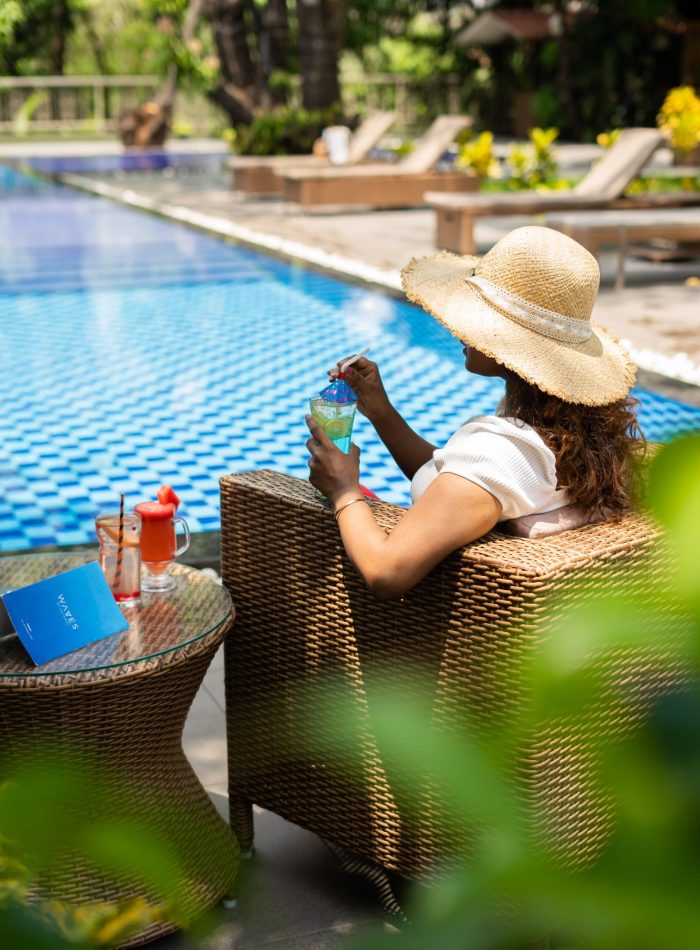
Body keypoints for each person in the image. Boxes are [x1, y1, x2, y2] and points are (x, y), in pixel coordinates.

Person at [305, 226, 644, 601]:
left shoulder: (502, 453)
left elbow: (385, 573)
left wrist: (344, 490)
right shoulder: (553, 428)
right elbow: (459, 483)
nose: (457, 330)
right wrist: (382, 412)